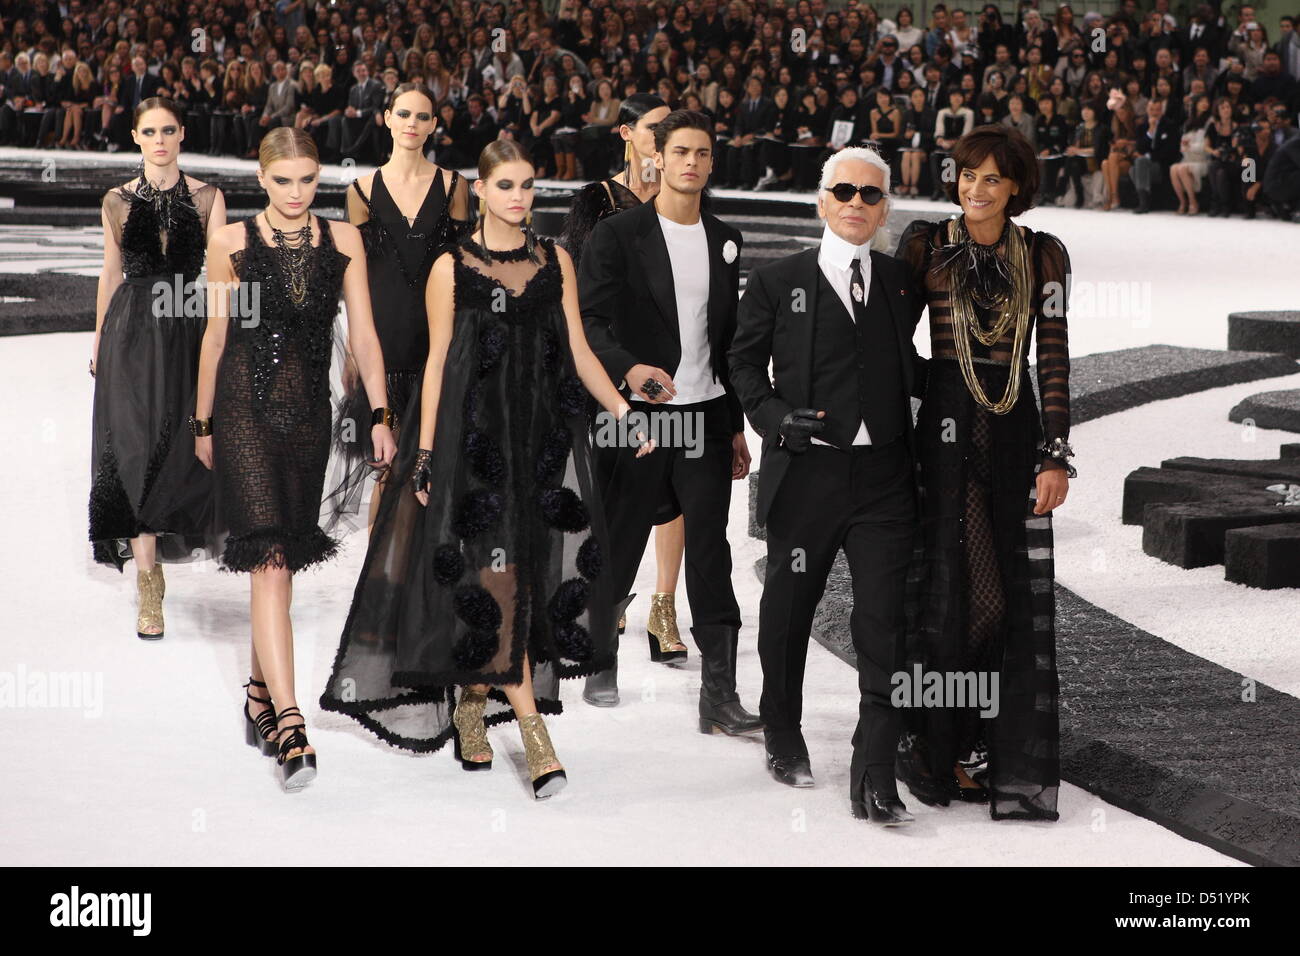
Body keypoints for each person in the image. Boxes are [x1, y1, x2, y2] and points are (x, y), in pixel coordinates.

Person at [319, 140, 649, 799]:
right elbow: (439, 361)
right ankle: (534, 733)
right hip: (473, 441)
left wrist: (621, 407)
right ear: (483, 190)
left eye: (528, 186)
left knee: (521, 570)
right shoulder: (453, 266)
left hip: (541, 439)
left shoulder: (555, 259)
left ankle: (474, 699)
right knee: (491, 572)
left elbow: (579, 349)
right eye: (506, 186)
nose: (519, 197)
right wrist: (426, 454)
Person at [728, 147, 928, 825]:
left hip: (885, 482)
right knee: (788, 613)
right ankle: (782, 729)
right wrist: (778, 420)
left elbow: (911, 367)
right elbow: (743, 367)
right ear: (821, 200)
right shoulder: (776, 279)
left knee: (883, 625)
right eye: (843, 191)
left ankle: (875, 765)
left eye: (870, 195)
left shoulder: (902, 283)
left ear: (884, 208)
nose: (856, 203)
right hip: (807, 476)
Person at [195, 126, 397, 792]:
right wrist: (202, 422)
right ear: (262, 178)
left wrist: (380, 413)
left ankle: (258, 689)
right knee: (270, 559)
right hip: (245, 412)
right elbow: (216, 335)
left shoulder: (344, 241)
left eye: (308, 179)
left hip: (310, 417)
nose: (295, 191)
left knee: (280, 556)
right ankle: (289, 720)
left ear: (321, 178)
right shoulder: (229, 243)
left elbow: (363, 333)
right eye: (283, 180)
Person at [895, 125, 1073, 821]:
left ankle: (971, 740)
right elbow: (889, 336)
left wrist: (1054, 452)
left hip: (1010, 427)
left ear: (1017, 187)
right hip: (941, 429)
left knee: (1000, 598)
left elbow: (1053, 354)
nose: (976, 188)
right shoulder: (926, 244)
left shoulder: (1044, 254)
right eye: (968, 175)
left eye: (992, 178)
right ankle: (943, 743)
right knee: (952, 587)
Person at [578, 109, 760, 735]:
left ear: (712, 162)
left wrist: (736, 422)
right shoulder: (619, 233)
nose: (691, 162)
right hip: (644, 417)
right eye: (680, 151)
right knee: (623, 535)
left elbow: (728, 341)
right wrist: (627, 370)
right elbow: (591, 324)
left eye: (702, 153)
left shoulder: (726, 238)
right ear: (657, 156)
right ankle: (601, 657)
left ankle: (721, 695)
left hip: (706, 418)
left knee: (711, 549)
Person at [557, 94, 690, 676]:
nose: (665, 139)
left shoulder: (682, 194)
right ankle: (608, 597)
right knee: (615, 490)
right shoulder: (598, 200)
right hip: (609, 361)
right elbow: (583, 287)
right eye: (656, 129)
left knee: (675, 486)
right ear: (628, 133)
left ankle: (665, 605)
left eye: (673, 130)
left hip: (675, 360)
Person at [89, 97, 227, 640]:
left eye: (168, 129)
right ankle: (149, 581)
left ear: (182, 134)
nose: (161, 139)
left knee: (180, 444)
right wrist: (99, 339)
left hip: (189, 328)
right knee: (135, 448)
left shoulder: (208, 197)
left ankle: (163, 559)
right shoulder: (116, 201)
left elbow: (221, 278)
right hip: (131, 332)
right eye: (150, 131)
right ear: (136, 137)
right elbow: (109, 273)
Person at [332, 82, 471, 531]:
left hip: (441, 346)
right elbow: (357, 279)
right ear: (387, 118)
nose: (412, 124)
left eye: (422, 116)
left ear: (433, 126)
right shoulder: (361, 190)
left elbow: (468, 272)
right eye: (404, 114)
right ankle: (380, 584)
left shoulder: (455, 187)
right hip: (384, 347)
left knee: (441, 471)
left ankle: (429, 588)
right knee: (389, 472)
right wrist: (356, 348)